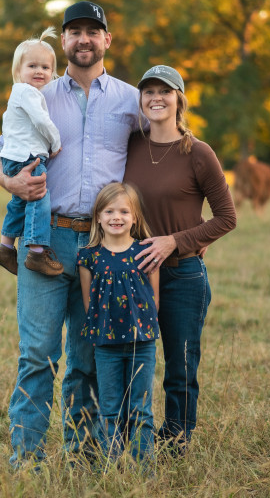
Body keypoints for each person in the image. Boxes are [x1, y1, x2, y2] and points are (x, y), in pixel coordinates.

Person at [0, 1, 142, 467]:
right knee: (38, 355)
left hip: (101, 247)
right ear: (64, 41)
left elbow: (165, 141)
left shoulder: (128, 98)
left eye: (92, 32)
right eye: (74, 32)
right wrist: (8, 181)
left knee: (86, 356)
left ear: (107, 41)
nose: (84, 39)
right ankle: (26, 460)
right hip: (47, 239)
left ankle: (82, 456)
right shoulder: (37, 91)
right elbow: (2, 153)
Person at [123, 64, 237, 456]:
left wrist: (178, 240)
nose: (156, 97)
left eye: (165, 91)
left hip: (183, 276)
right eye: (149, 91)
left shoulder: (198, 153)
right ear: (141, 100)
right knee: (131, 362)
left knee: (180, 367)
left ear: (179, 99)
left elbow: (227, 217)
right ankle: (132, 439)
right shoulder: (131, 144)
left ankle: (176, 444)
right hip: (134, 274)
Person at [78, 182, 160, 467]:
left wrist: (142, 328)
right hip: (106, 347)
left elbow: (154, 299)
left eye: (124, 211)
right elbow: (89, 304)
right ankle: (110, 468)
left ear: (135, 217)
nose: (117, 217)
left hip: (142, 343)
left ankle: (142, 468)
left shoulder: (146, 252)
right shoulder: (88, 256)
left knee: (140, 408)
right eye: (109, 210)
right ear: (98, 217)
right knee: (110, 409)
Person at [0, 27, 64, 277]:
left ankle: (5, 247)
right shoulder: (26, 92)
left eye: (45, 67)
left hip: (15, 154)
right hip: (28, 158)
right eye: (32, 66)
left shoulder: (20, 95)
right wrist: (55, 143)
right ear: (18, 71)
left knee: (18, 203)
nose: (39, 71)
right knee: (39, 199)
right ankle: (36, 252)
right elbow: (42, 121)